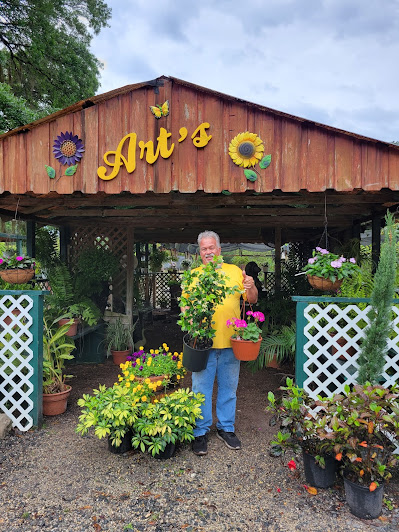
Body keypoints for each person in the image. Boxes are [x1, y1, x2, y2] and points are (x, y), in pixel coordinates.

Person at [185, 231, 258, 456]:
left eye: (211, 247)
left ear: (219, 249)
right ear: (200, 253)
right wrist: (188, 318)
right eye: (204, 249)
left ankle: (226, 428)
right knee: (200, 390)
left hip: (231, 342)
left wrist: (251, 285)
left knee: (229, 389)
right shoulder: (194, 276)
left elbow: (252, 299)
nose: (208, 252)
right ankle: (200, 431)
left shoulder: (235, 272)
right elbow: (185, 307)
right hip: (202, 344)